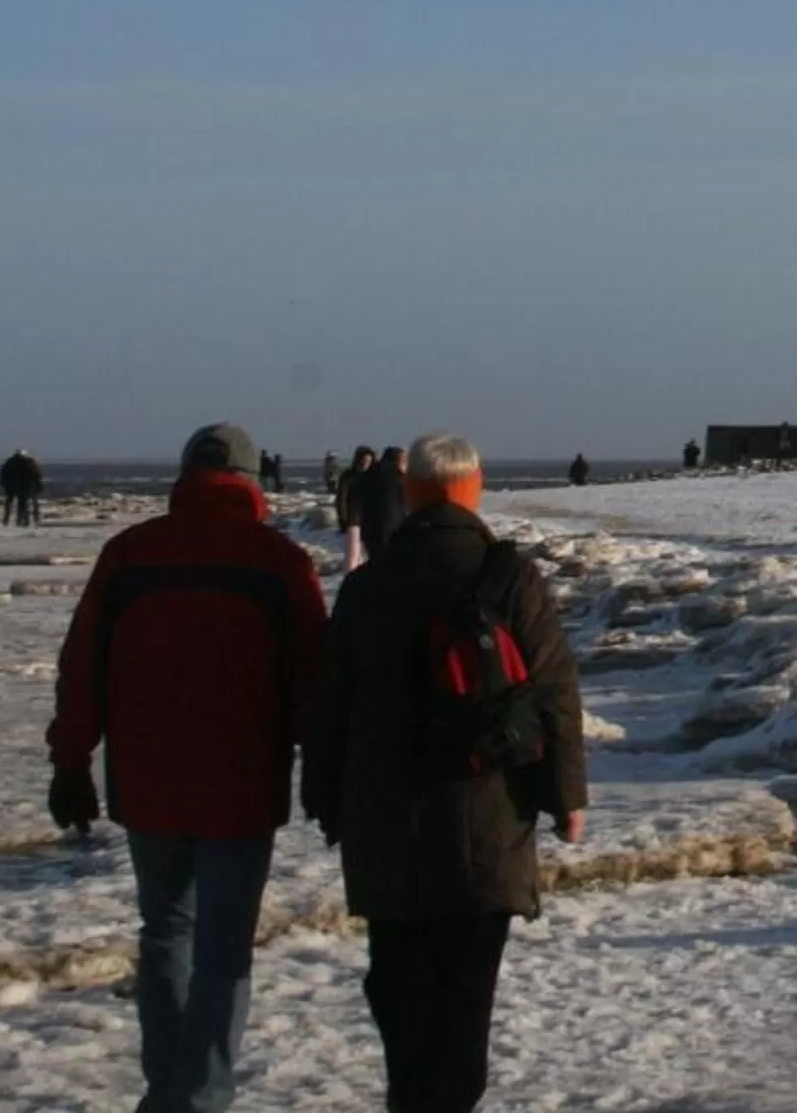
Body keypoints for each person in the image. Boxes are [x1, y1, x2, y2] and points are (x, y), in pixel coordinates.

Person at [47, 423, 327, 1113]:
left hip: (148, 784)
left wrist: (71, 761)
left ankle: (167, 1091)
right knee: (223, 950)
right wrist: (321, 764)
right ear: (251, 481)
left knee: (165, 931)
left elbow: (83, 664)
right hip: (241, 784)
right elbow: (313, 680)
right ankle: (200, 1096)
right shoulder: (279, 561)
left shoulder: (128, 554)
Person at [305, 434, 586, 1113]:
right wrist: (566, 799)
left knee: (398, 983)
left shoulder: (368, 585)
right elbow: (554, 692)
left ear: (413, 493)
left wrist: (323, 795)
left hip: (384, 821)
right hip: (486, 815)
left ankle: (412, 1096)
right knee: (465, 993)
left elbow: (327, 700)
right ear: (473, 489)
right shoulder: (509, 576)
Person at [359, 445, 410, 556]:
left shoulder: (369, 473)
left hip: (370, 530)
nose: (406, 464)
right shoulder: (398, 478)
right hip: (391, 530)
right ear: (396, 460)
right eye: (404, 461)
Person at [336, 446, 376, 570]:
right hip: (353, 520)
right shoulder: (348, 476)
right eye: (363, 461)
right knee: (352, 554)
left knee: (369, 554)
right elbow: (341, 499)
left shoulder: (373, 477)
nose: (366, 465)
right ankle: (350, 579)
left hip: (370, 519)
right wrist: (343, 519)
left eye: (369, 462)